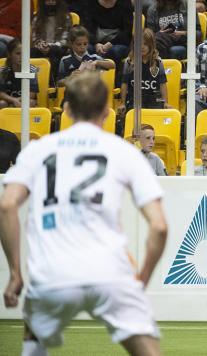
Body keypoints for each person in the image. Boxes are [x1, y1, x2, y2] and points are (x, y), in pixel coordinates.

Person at [0, 71, 168, 355]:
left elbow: (6, 205)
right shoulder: (124, 152)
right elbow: (160, 227)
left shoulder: (38, 150)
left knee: (33, 338)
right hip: (110, 272)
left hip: (52, 274)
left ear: (65, 109)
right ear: (107, 111)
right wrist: (141, 280)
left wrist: (16, 272)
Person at [82, 0, 134, 86]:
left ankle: (112, 84)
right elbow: (88, 28)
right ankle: (88, 83)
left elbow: (127, 32)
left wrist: (110, 44)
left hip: (118, 42)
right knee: (86, 49)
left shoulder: (125, 3)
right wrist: (96, 43)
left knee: (114, 51)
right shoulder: (91, 3)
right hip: (96, 41)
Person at [118, 28, 169, 115]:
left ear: (151, 45)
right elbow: (124, 83)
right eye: (139, 44)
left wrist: (166, 102)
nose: (142, 47)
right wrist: (122, 103)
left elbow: (162, 84)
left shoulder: (158, 62)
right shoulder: (129, 62)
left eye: (145, 44)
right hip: (134, 99)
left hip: (154, 99)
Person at [30, 0, 73, 85]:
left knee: (57, 53)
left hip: (58, 48)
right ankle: (34, 85)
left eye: (53, 0)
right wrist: (41, 45)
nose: (50, 2)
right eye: (48, 0)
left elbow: (65, 40)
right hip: (40, 48)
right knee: (31, 52)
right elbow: (34, 38)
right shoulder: (36, 17)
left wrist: (50, 47)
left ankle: (54, 84)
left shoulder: (66, 17)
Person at [0, 39, 39, 109]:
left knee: (31, 102)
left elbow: (32, 94)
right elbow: (1, 93)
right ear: (9, 54)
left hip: (25, 100)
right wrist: (13, 100)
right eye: (18, 53)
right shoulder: (3, 71)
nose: (22, 56)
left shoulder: (32, 70)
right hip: (8, 101)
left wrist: (18, 100)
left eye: (24, 53)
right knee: (2, 103)